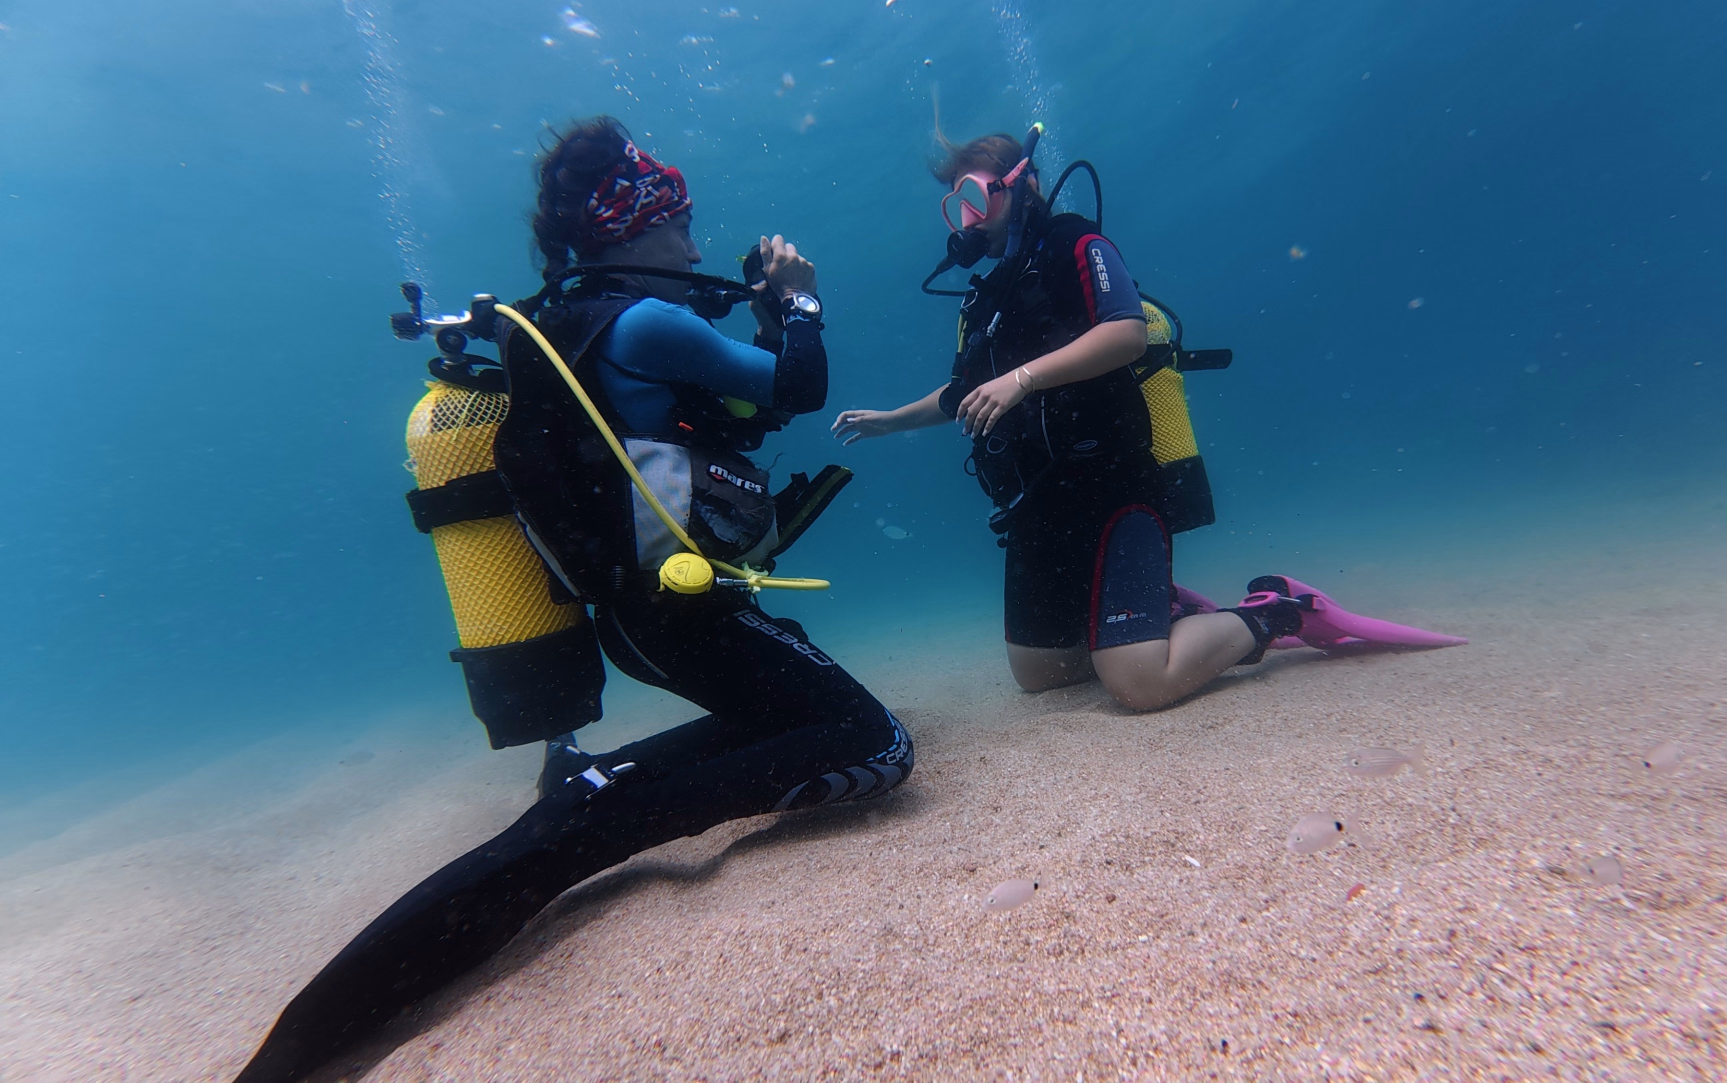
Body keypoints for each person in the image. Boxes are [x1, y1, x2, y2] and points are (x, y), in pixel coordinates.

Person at [233, 117, 912, 1083]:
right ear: (631, 222)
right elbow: (796, 387)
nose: (689, 231)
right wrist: (796, 300)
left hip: (639, 612)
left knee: (786, 706)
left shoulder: (568, 323)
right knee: (875, 741)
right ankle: (590, 819)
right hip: (682, 611)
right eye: (674, 212)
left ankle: (591, 786)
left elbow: (734, 407)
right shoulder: (647, 320)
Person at [832, 126, 1312, 711]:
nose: (967, 219)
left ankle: (1274, 609)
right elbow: (963, 391)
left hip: (1113, 483)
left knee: (1139, 685)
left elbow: (1127, 332)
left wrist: (1023, 376)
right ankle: (1154, 609)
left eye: (976, 198)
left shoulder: (1076, 244)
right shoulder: (985, 300)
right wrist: (889, 421)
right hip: (1039, 499)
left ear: (1022, 185)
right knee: (1043, 674)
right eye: (955, 207)